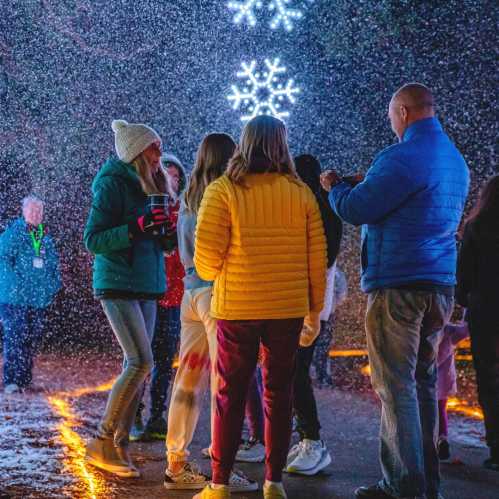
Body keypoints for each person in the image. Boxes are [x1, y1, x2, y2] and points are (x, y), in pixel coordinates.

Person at [321, 83, 469, 499]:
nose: (391, 122)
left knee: (395, 385)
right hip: (439, 284)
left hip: (399, 286)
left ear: (403, 112)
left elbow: (355, 208)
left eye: (392, 115)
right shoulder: (454, 160)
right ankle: (426, 484)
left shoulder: (400, 156)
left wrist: (335, 185)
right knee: (421, 382)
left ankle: (402, 485)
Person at [193, 115, 327, 499]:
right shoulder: (300, 193)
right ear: (282, 145)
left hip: (237, 306)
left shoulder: (223, 190)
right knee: (279, 392)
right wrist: (314, 311)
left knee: (229, 394)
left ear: (244, 143)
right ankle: (274, 482)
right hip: (286, 308)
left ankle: (218, 484)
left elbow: (205, 263)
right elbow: (315, 258)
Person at [164, 133, 257, 493]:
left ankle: (176, 461)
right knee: (225, 384)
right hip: (217, 295)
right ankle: (223, 467)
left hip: (190, 295)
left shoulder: (188, 195)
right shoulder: (223, 192)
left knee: (187, 381)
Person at [84, 119, 171, 478]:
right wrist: (136, 228)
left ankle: (119, 442)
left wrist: (165, 231)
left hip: (147, 283)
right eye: (153, 147)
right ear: (137, 150)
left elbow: (163, 245)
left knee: (138, 367)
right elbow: (94, 240)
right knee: (140, 361)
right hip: (118, 282)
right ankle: (102, 441)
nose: (159, 153)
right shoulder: (111, 185)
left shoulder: (154, 184)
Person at [284, 154, 342, 476]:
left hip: (309, 307)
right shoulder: (326, 209)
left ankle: (313, 441)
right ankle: (307, 437)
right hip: (313, 306)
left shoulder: (317, 213)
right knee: (294, 372)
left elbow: (320, 262)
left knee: (296, 373)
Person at [131, 153, 187, 442]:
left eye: (176, 176)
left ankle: (157, 415)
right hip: (147, 295)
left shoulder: (184, 212)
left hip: (174, 299)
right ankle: (134, 414)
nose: (171, 179)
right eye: (167, 174)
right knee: (141, 358)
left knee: (165, 361)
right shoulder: (147, 207)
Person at [456, 174, 499, 471]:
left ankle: (496, 448)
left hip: (485, 313)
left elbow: (463, 277)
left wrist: (464, 299)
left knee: (489, 379)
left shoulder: (477, 226)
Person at [0, 196, 61, 393]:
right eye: (32, 210)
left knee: (30, 339)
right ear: (24, 212)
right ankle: (11, 380)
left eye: (39, 211)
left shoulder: (45, 239)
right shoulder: (14, 233)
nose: (36, 214)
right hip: (14, 299)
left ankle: (24, 379)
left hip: (37, 301)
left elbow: (53, 268)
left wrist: (51, 287)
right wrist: (15, 285)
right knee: (15, 337)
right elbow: (3, 257)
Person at [435, 315, 469, 461]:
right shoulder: (448, 330)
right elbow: (467, 330)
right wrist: (466, 313)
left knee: (422, 410)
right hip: (443, 381)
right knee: (441, 409)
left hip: (424, 379)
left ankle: (426, 441)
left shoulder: (424, 330)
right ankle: (443, 438)